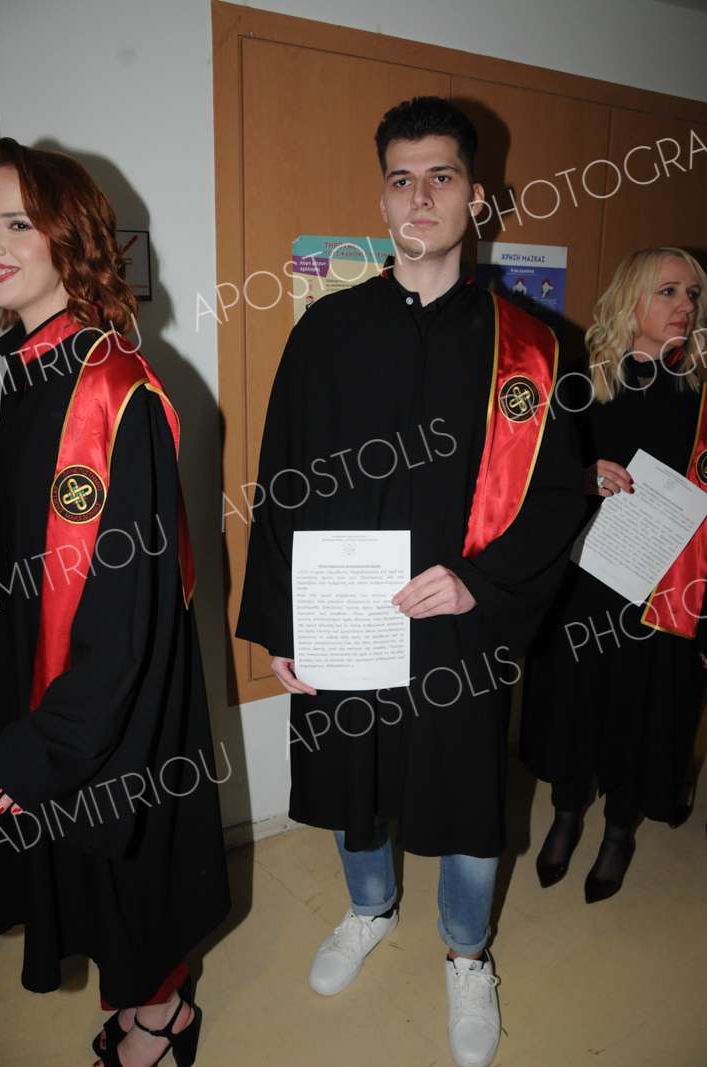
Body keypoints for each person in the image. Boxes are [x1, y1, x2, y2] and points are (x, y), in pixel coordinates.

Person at [236, 96, 584, 1067]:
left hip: (460, 626)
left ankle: (467, 952)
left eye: (440, 176)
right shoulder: (326, 332)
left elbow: (557, 497)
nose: (419, 196)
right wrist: (283, 623)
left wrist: (479, 581)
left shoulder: (531, 349)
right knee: (354, 781)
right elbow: (281, 477)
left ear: (476, 196)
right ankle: (370, 906)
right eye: (401, 178)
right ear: (381, 197)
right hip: (347, 619)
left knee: (467, 798)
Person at [0, 138, 230, 1067]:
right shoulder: (28, 371)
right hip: (52, 686)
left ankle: (162, 1018)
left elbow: (122, 616)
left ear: (70, 237)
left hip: (107, 704)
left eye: (17, 222)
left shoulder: (109, 391)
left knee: (129, 879)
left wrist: (38, 752)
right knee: (86, 882)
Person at [521, 247, 707, 904]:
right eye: (667, 291)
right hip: (586, 577)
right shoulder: (577, 383)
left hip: (665, 587)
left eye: (692, 293)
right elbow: (531, 476)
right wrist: (581, 477)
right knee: (575, 698)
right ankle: (567, 811)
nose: (685, 306)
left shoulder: (701, 396)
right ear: (630, 298)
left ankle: (621, 827)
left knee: (644, 704)